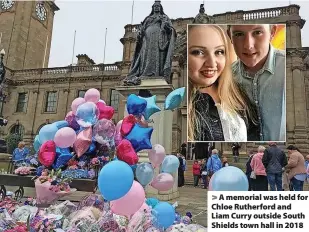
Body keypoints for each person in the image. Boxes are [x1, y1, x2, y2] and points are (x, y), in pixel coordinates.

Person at [187, 24, 258, 142]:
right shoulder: (184, 103)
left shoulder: (240, 96)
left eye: (219, 51)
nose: (211, 63)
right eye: (198, 52)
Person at [227, 24, 285, 141]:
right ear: (230, 36)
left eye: (257, 32)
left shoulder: (289, 66)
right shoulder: (225, 78)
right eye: (239, 34)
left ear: (272, 32)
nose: (248, 46)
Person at [123, 0, 176, 86]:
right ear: (152, 8)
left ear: (161, 8)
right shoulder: (148, 18)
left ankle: (156, 73)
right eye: (155, 6)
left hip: (159, 39)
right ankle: (145, 73)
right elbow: (142, 30)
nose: (156, 8)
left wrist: (165, 26)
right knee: (146, 55)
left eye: (158, 6)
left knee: (157, 56)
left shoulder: (164, 17)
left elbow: (171, 30)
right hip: (147, 39)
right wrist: (140, 33)